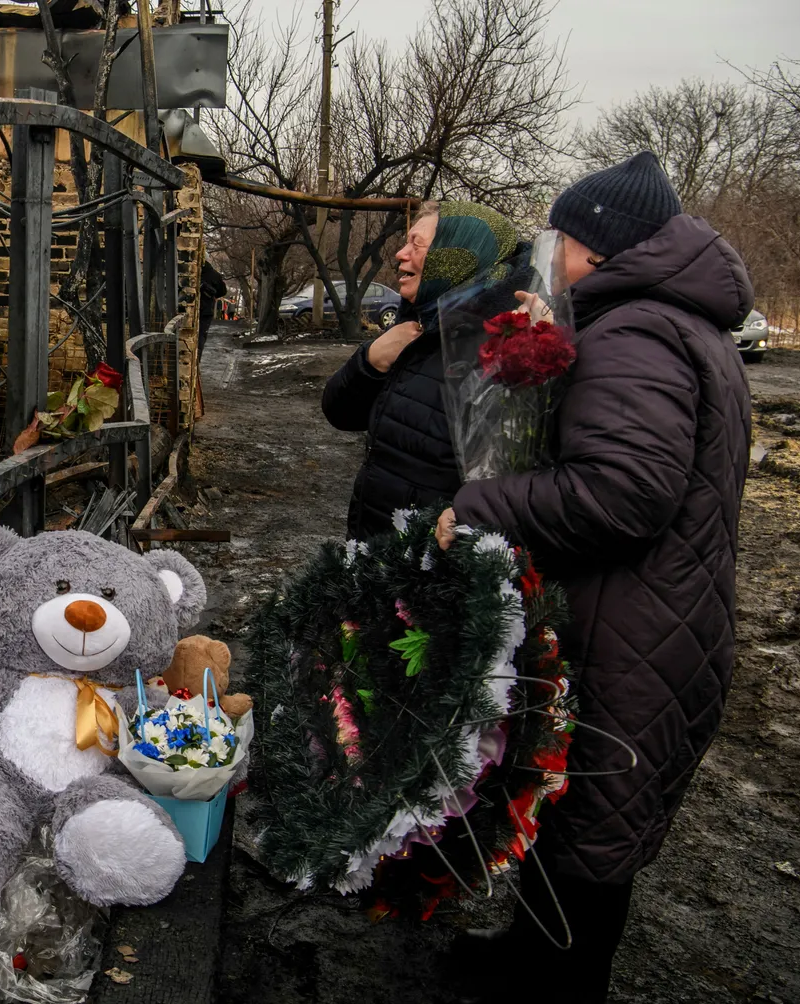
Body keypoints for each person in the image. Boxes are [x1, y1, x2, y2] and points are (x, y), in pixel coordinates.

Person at [436, 152, 753, 1003]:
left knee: (591, 835)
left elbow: (623, 494)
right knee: (571, 811)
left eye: (561, 237)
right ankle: (525, 959)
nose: (551, 251)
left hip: (633, 634)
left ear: (596, 247)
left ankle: (553, 984)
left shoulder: (638, 331)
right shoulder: (677, 323)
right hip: (652, 617)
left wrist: (481, 503)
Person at [321, 201, 519, 540]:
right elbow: (339, 413)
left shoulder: (503, 349)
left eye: (417, 243)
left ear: (458, 254)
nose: (400, 253)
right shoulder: (416, 323)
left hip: (435, 565)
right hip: (383, 553)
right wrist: (369, 362)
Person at [197, 260, 227, 361]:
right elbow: (222, 291)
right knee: (201, 336)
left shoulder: (194, 270)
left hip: (189, 308)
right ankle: (197, 360)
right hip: (206, 309)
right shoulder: (215, 275)